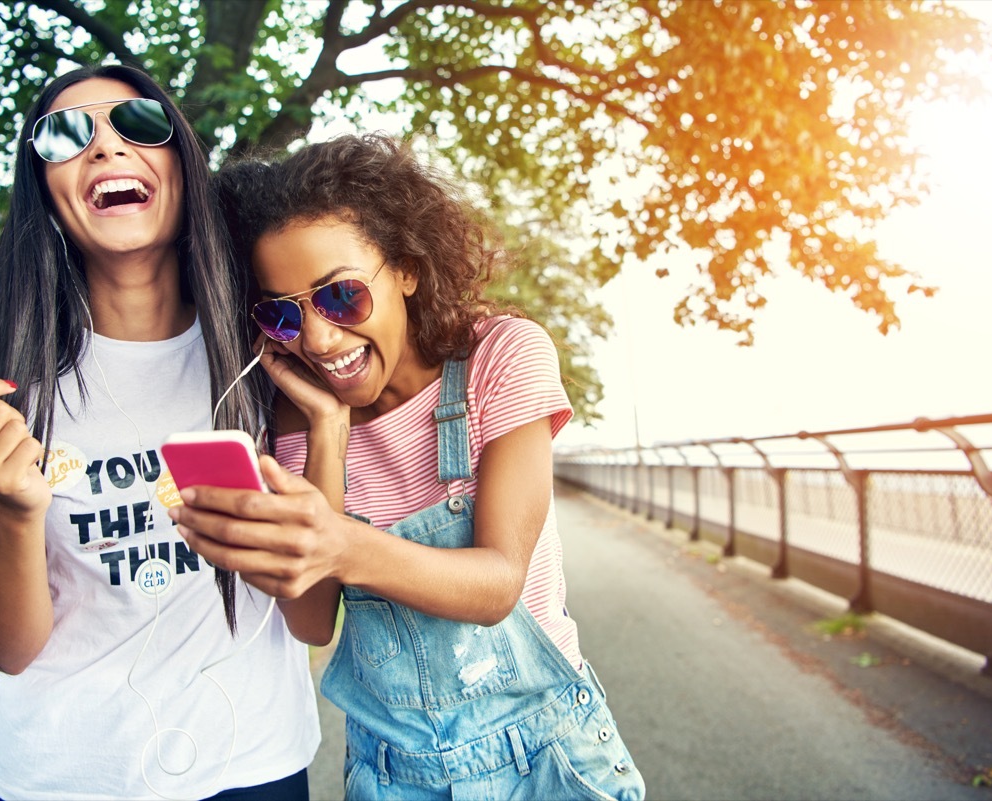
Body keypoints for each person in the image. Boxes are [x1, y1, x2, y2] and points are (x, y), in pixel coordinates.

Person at [174, 134, 645, 800]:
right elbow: (311, 622)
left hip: (546, 760)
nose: (318, 339)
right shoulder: (296, 419)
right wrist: (328, 431)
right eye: (282, 314)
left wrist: (337, 543)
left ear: (407, 269)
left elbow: (495, 585)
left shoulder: (501, 358)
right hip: (390, 775)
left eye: (340, 297)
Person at [0, 64, 320, 801]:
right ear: (43, 190)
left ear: (182, 166)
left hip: (254, 768)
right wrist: (15, 507)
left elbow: (312, 610)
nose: (105, 148)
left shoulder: (266, 353)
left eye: (136, 124)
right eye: (67, 135)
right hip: (61, 780)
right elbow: (7, 648)